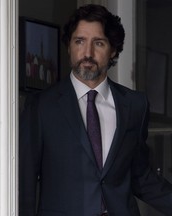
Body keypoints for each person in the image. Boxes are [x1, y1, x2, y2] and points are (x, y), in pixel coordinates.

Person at [19, 4, 172, 216]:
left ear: (113, 50)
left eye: (98, 43)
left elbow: (140, 176)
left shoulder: (135, 105)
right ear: (69, 46)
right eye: (79, 41)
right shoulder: (41, 106)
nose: (87, 53)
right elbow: (25, 182)